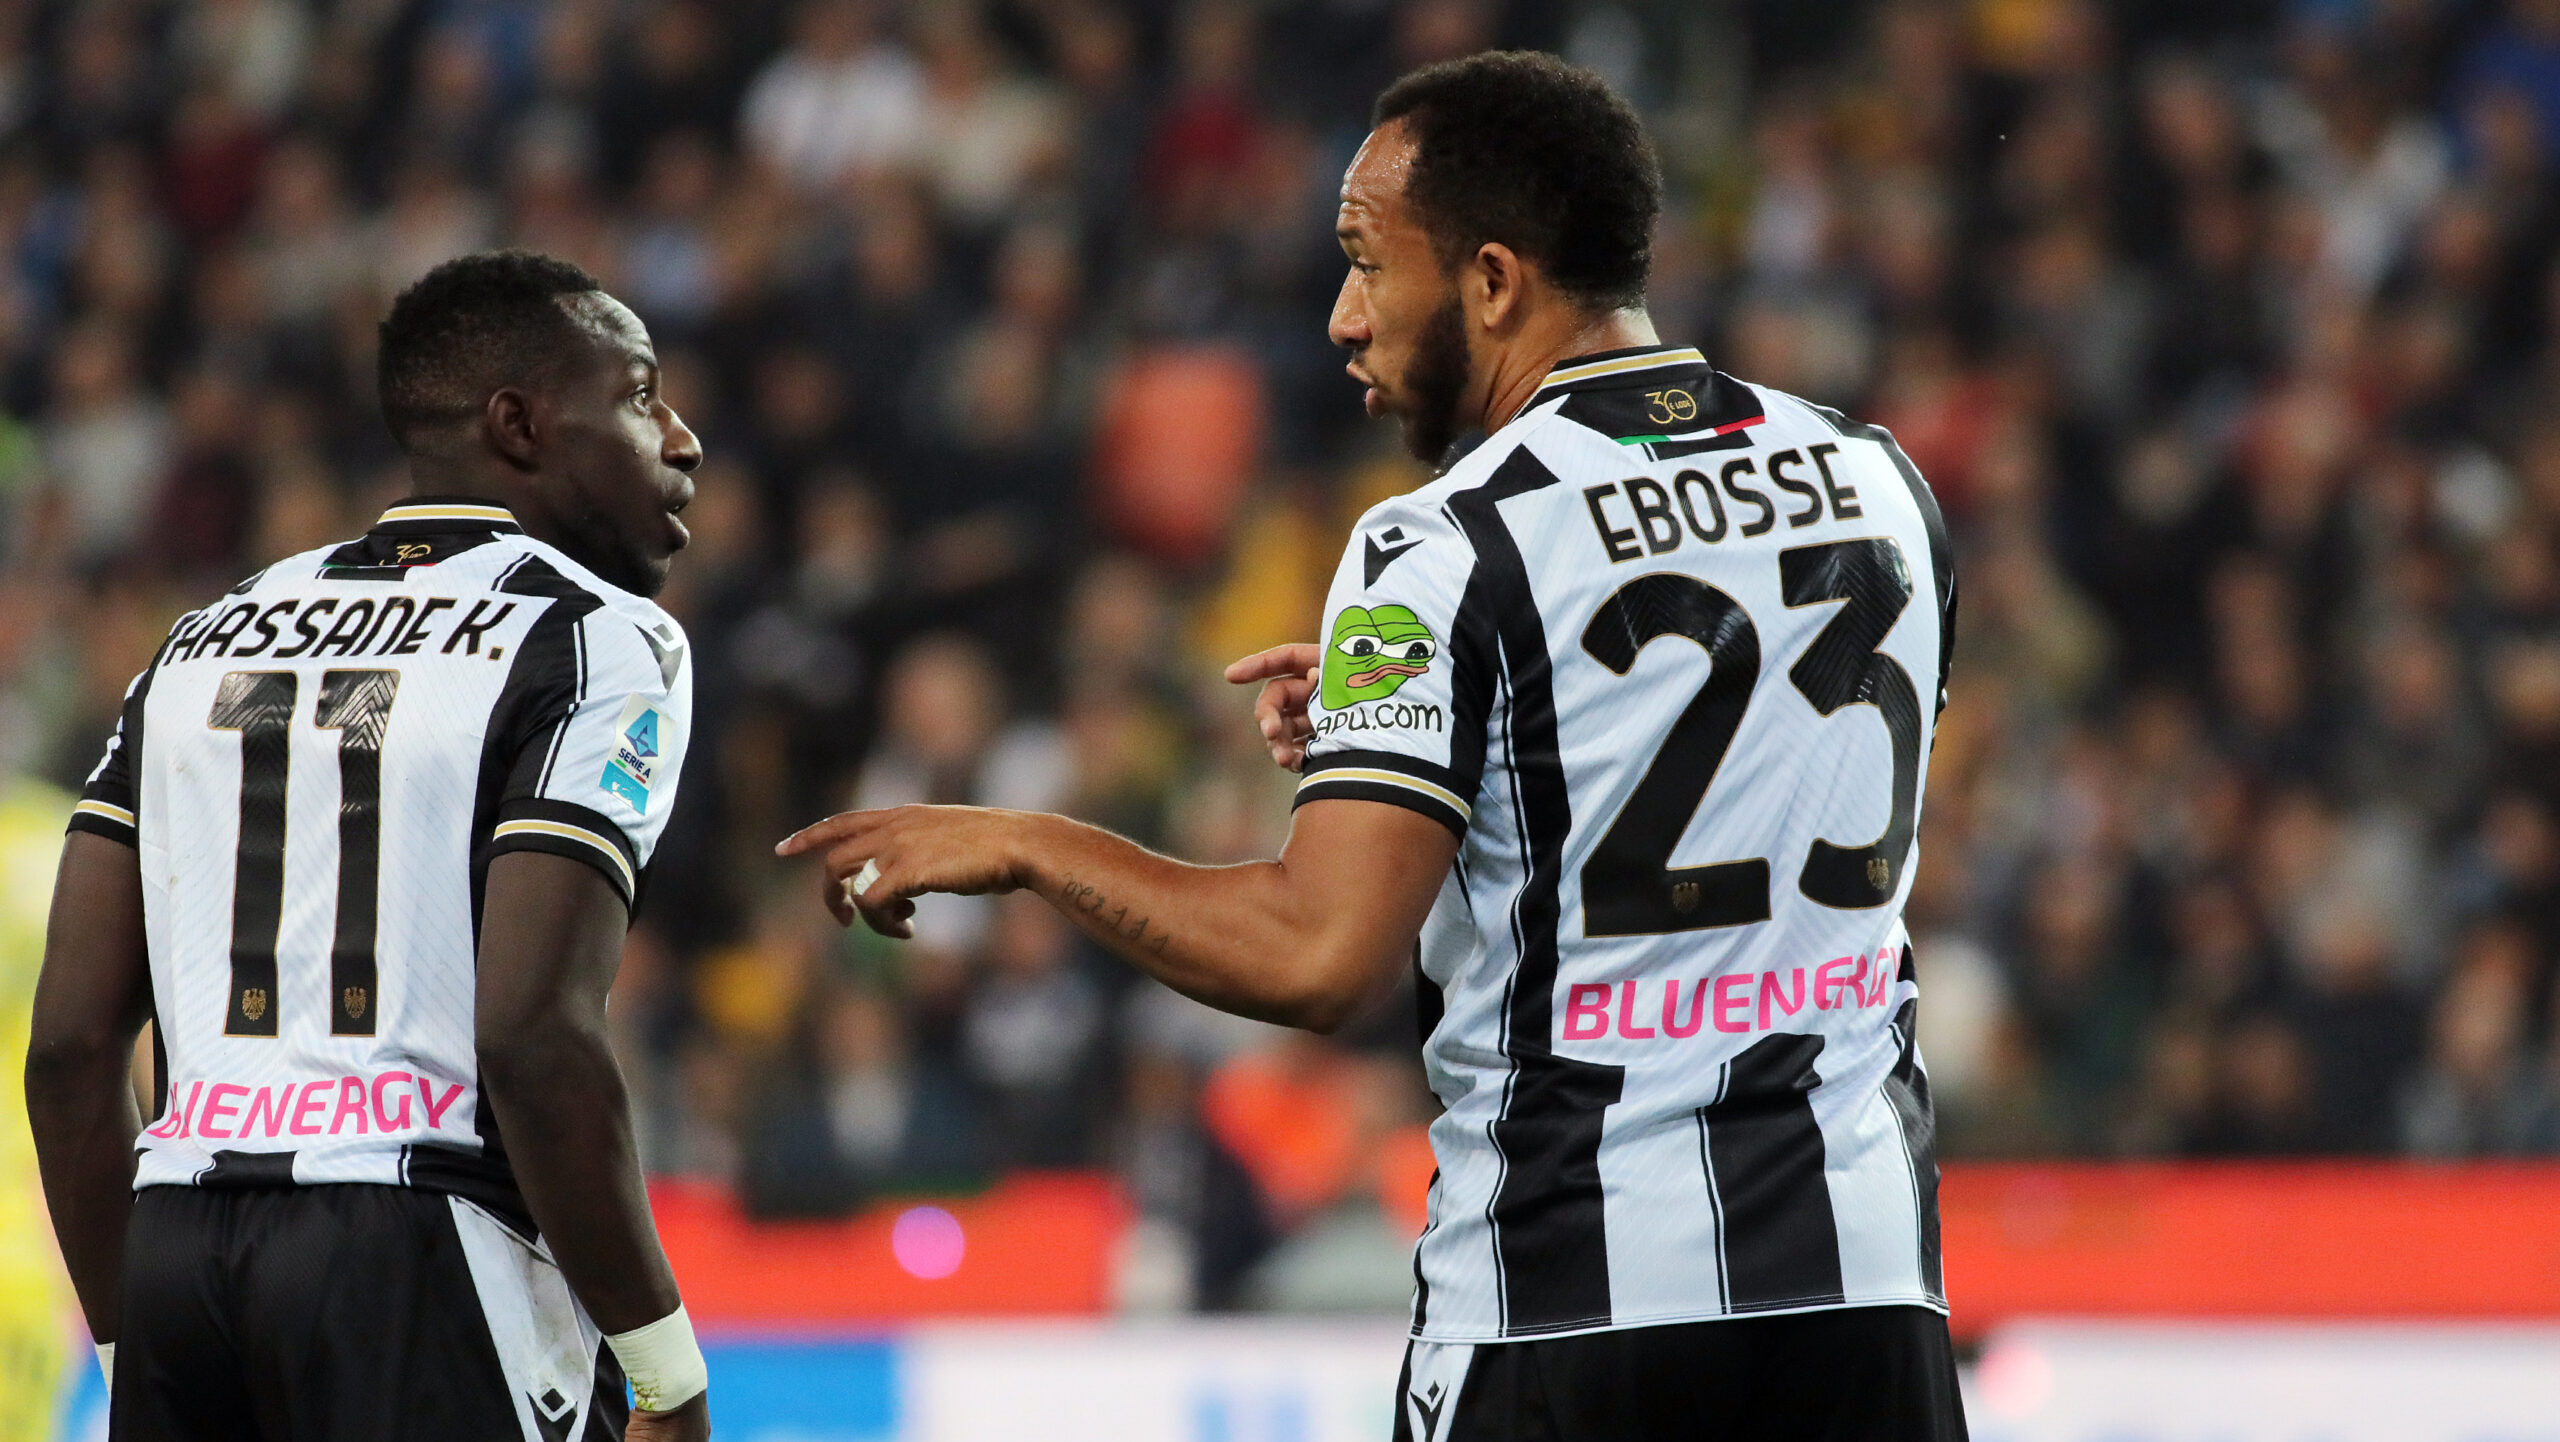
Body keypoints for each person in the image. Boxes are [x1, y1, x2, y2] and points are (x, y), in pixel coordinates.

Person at [781, 51, 1966, 1441]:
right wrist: (1455, 735)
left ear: (1492, 280)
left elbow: (1318, 951)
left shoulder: (1442, 544)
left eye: (1365, 261)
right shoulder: (1880, 480)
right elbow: (1754, 763)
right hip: (1870, 1296)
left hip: (1567, 1305)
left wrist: (1031, 842)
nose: (1342, 317)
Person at [26, 251, 713, 1441]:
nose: (683, 438)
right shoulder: (595, 636)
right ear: (521, 424)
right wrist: (664, 1367)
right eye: (642, 394)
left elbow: (72, 1044)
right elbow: (531, 1029)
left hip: (184, 1243)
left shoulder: (201, 640)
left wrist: (142, 1339)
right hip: (420, 1238)